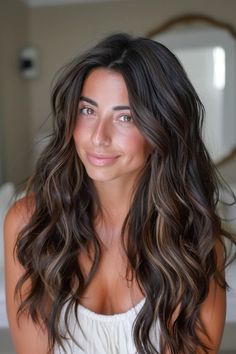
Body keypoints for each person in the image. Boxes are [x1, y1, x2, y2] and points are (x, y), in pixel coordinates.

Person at [4, 32, 236, 354]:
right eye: (88, 111)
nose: (99, 137)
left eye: (124, 117)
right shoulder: (30, 225)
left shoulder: (195, 244)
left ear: (161, 129)